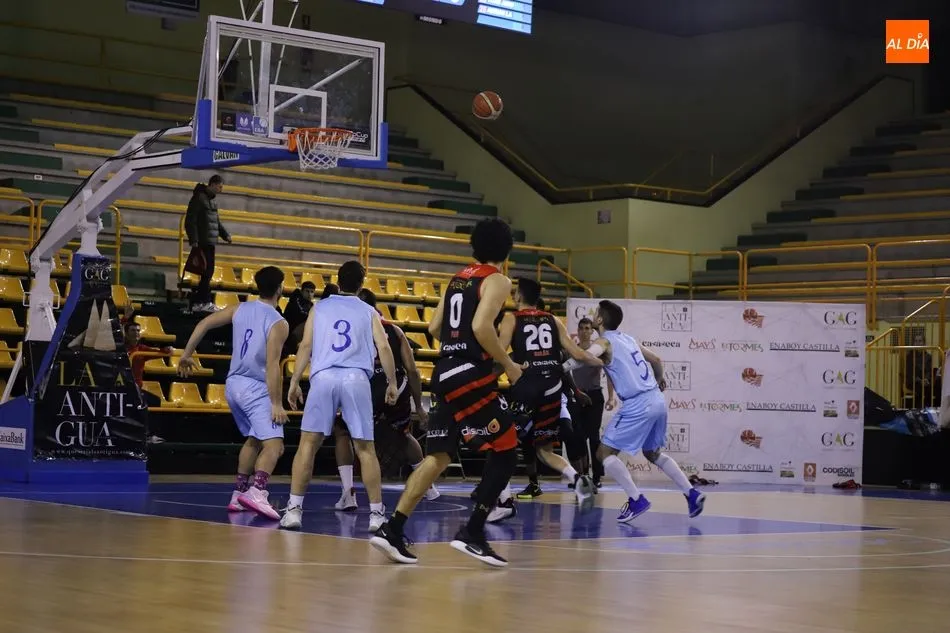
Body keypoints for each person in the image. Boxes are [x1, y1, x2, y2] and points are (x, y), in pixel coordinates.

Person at [370, 217, 524, 567]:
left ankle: (392, 529)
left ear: (474, 246)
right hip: (469, 374)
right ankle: (473, 532)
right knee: (506, 448)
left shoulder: (458, 279)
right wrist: (508, 364)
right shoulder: (498, 279)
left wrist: (459, 342)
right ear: (507, 251)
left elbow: (435, 327)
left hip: (444, 371)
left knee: (438, 457)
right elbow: (481, 327)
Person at [282, 261, 399, 532]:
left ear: (338, 280)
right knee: (365, 449)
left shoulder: (319, 307)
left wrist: (295, 381)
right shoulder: (369, 311)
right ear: (362, 283)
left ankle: (294, 510)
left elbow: (306, 345)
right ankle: (376, 514)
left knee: (307, 445)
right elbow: (383, 346)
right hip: (356, 379)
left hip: (323, 377)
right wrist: (392, 382)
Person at [485, 278, 602, 522]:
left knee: (501, 442)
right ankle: (578, 479)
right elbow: (577, 353)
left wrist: (494, 371)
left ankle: (504, 502)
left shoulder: (511, 318)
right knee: (544, 449)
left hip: (528, 386)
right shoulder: (553, 319)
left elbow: (499, 353)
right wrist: (602, 360)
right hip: (553, 387)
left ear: (518, 296)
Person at [178, 266, 290, 519]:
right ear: (280, 288)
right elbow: (273, 364)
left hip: (233, 384)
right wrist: (276, 403)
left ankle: (238, 494)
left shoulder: (240, 308)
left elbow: (204, 323)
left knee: (254, 439)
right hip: (255, 386)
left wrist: (186, 354)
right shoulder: (278, 321)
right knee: (275, 445)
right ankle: (257, 491)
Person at [592, 300, 705, 523]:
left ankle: (636, 499)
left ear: (600, 319)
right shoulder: (628, 339)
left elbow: (586, 355)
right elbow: (656, 359)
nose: (593, 315)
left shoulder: (604, 342)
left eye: (596, 313)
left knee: (603, 454)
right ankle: (691, 493)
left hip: (638, 404)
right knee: (652, 453)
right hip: (656, 398)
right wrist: (660, 377)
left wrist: (566, 363)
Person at [332, 288, 438, 511]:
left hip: (367, 386)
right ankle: (428, 487)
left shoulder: (352, 327)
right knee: (403, 433)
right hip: (396, 385)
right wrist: (419, 406)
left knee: (343, 432)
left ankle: (348, 493)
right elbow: (413, 371)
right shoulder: (394, 329)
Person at [567, 317, 609, 488]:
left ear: (592, 331)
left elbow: (610, 372)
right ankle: (583, 475)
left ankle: (597, 476)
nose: (585, 331)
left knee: (594, 437)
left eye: (587, 328)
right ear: (578, 331)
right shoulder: (573, 351)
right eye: (582, 328)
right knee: (578, 437)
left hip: (595, 396)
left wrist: (612, 397)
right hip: (578, 396)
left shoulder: (598, 351)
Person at [184, 175, 230, 313]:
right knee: (206, 273)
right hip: (202, 242)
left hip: (210, 241)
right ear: (213, 184)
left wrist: (225, 235)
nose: (221, 190)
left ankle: (201, 301)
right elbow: (190, 220)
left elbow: (216, 222)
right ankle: (203, 302)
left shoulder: (211, 201)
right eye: (220, 186)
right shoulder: (198, 199)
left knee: (208, 273)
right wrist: (194, 240)